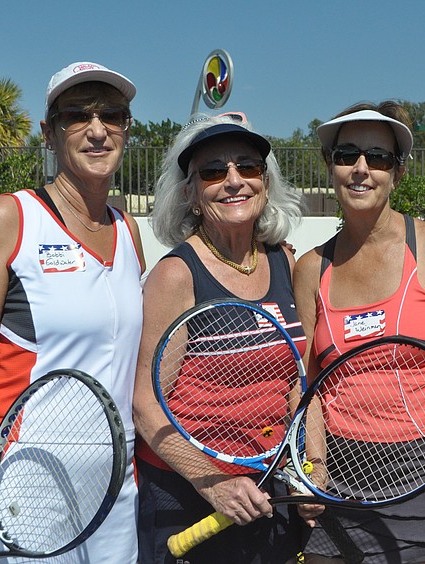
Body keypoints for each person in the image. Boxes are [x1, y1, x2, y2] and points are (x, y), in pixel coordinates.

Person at [0, 61, 145, 563]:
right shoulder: (9, 217)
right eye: (78, 116)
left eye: (112, 115)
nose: (98, 130)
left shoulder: (128, 229)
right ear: (49, 134)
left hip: (117, 480)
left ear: (126, 129)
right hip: (27, 475)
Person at [293, 101, 425, 564]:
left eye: (378, 157)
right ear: (329, 166)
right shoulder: (311, 268)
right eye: (346, 154)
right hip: (342, 472)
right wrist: (313, 466)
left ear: (399, 171)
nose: (360, 169)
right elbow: (307, 382)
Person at [132, 112, 305, 564]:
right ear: (189, 193)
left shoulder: (285, 261)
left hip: (268, 483)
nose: (233, 181)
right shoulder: (175, 276)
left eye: (247, 167)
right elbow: (146, 405)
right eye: (212, 171)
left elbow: (296, 382)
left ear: (265, 184)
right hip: (189, 495)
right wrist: (213, 482)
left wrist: (312, 468)